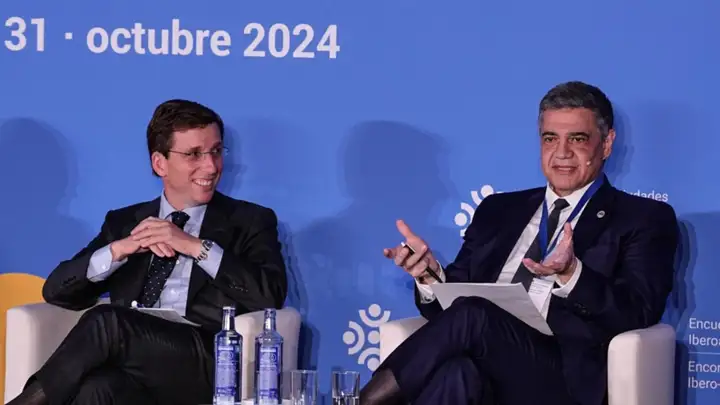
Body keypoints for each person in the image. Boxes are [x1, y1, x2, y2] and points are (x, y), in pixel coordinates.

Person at [360, 81, 679, 405]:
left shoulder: (642, 218)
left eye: (577, 139)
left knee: (472, 315)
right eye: (550, 138)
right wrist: (429, 276)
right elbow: (450, 306)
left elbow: (638, 311)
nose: (562, 152)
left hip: (563, 376)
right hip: (486, 363)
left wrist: (572, 274)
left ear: (606, 144)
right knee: (458, 372)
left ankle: (365, 400)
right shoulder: (498, 210)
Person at [6, 99, 288, 405]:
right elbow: (56, 291)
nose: (211, 166)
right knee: (96, 388)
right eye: (194, 154)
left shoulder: (249, 220)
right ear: (159, 163)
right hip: (134, 363)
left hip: (207, 360)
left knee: (108, 322)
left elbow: (269, 295)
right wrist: (118, 250)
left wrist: (195, 246)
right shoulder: (126, 221)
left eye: (216, 151)